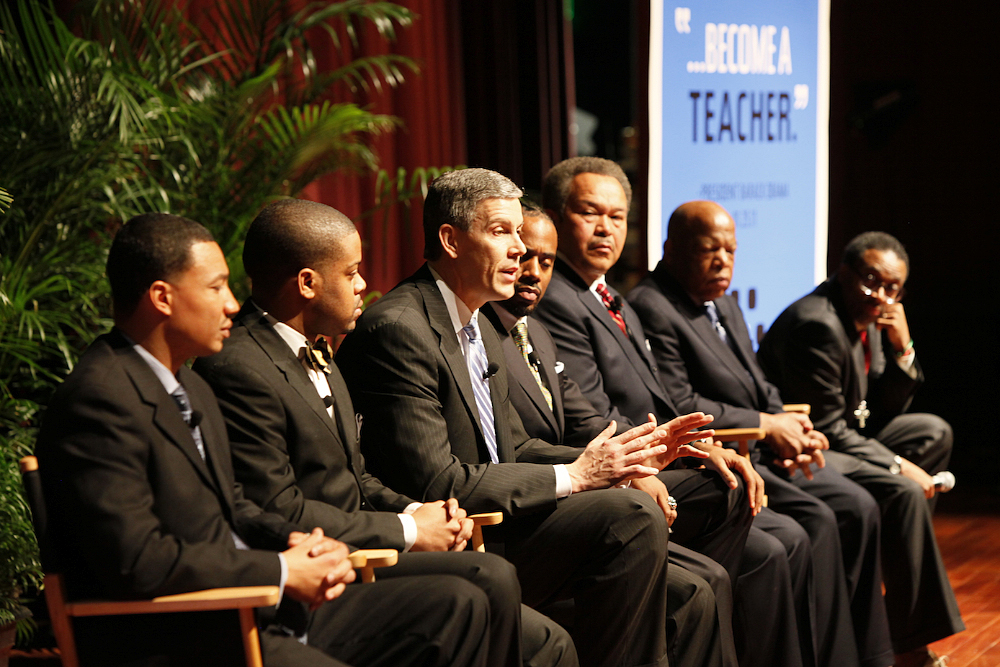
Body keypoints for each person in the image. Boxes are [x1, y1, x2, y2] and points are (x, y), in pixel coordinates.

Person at [35, 213, 492, 667]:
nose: (233, 305)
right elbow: (138, 561)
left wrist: (308, 545)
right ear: (162, 298)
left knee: (457, 603)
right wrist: (280, 570)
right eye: (215, 288)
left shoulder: (186, 386)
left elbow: (235, 506)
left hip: (247, 610)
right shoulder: (99, 399)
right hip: (182, 635)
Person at [337, 168, 719, 667]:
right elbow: (437, 481)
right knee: (629, 517)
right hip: (463, 532)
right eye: (501, 231)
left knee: (695, 590)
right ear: (451, 240)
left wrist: (623, 461)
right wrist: (579, 477)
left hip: (504, 516)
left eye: (519, 231)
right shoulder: (401, 328)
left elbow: (514, 449)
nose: (519, 248)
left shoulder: (477, 322)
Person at [194, 199, 576, 667]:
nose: (363, 286)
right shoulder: (240, 367)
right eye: (352, 273)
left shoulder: (321, 351)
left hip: (362, 543)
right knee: (482, 584)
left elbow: (357, 477)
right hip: (323, 565)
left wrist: (421, 511)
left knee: (514, 602)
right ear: (308, 284)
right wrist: (410, 529)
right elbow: (280, 508)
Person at [532, 157, 813, 667]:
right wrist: (668, 455)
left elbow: (661, 400)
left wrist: (703, 445)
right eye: (590, 213)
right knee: (742, 513)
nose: (605, 228)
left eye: (617, 217)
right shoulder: (553, 299)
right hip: (620, 471)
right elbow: (590, 414)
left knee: (777, 532)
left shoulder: (613, 296)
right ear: (553, 218)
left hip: (658, 460)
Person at [628, 200, 894, 667]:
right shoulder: (653, 305)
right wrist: (768, 427)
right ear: (671, 249)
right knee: (821, 519)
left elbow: (759, 381)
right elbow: (681, 403)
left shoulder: (723, 301)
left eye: (731, 250)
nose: (723, 261)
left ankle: (858, 656)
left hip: (761, 445)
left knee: (857, 507)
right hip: (726, 454)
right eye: (710, 250)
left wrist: (789, 424)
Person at [485, 202, 750, 667]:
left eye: (545, 261)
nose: (532, 271)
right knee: (691, 579)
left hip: (575, 483)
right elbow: (511, 451)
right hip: (528, 511)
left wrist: (648, 452)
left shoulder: (537, 333)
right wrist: (623, 472)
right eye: (524, 255)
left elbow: (586, 418)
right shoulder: (484, 335)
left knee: (725, 497)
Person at [758, 231, 963, 667]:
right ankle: (909, 643)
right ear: (844, 273)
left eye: (893, 288)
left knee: (932, 432)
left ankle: (901, 570)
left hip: (844, 439)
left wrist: (902, 348)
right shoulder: (818, 324)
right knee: (905, 491)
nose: (881, 296)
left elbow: (878, 409)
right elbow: (831, 427)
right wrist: (896, 465)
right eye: (872, 281)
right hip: (805, 448)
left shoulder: (870, 317)